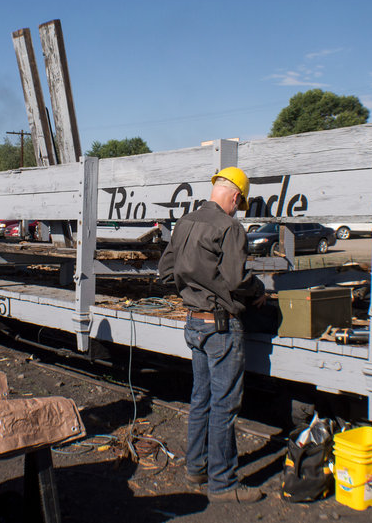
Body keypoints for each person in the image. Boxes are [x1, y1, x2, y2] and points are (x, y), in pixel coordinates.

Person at [158, 166, 268, 503]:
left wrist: (193, 289)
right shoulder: (230, 227)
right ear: (235, 197)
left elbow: (165, 273)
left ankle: (196, 467)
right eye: (240, 203)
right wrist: (259, 289)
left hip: (193, 321)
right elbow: (237, 281)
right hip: (221, 327)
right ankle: (223, 484)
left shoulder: (186, 222)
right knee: (224, 405)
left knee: (200, 399)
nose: (238, 208)